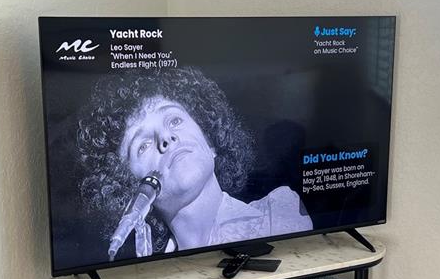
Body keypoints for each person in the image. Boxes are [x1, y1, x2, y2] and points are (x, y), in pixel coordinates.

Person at [77, 66, 313, 259]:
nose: (166, 138)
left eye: (175, 120)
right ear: (130, 186)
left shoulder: (279, 215)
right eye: (143, 145)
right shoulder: (151, 265)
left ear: (210, 141)